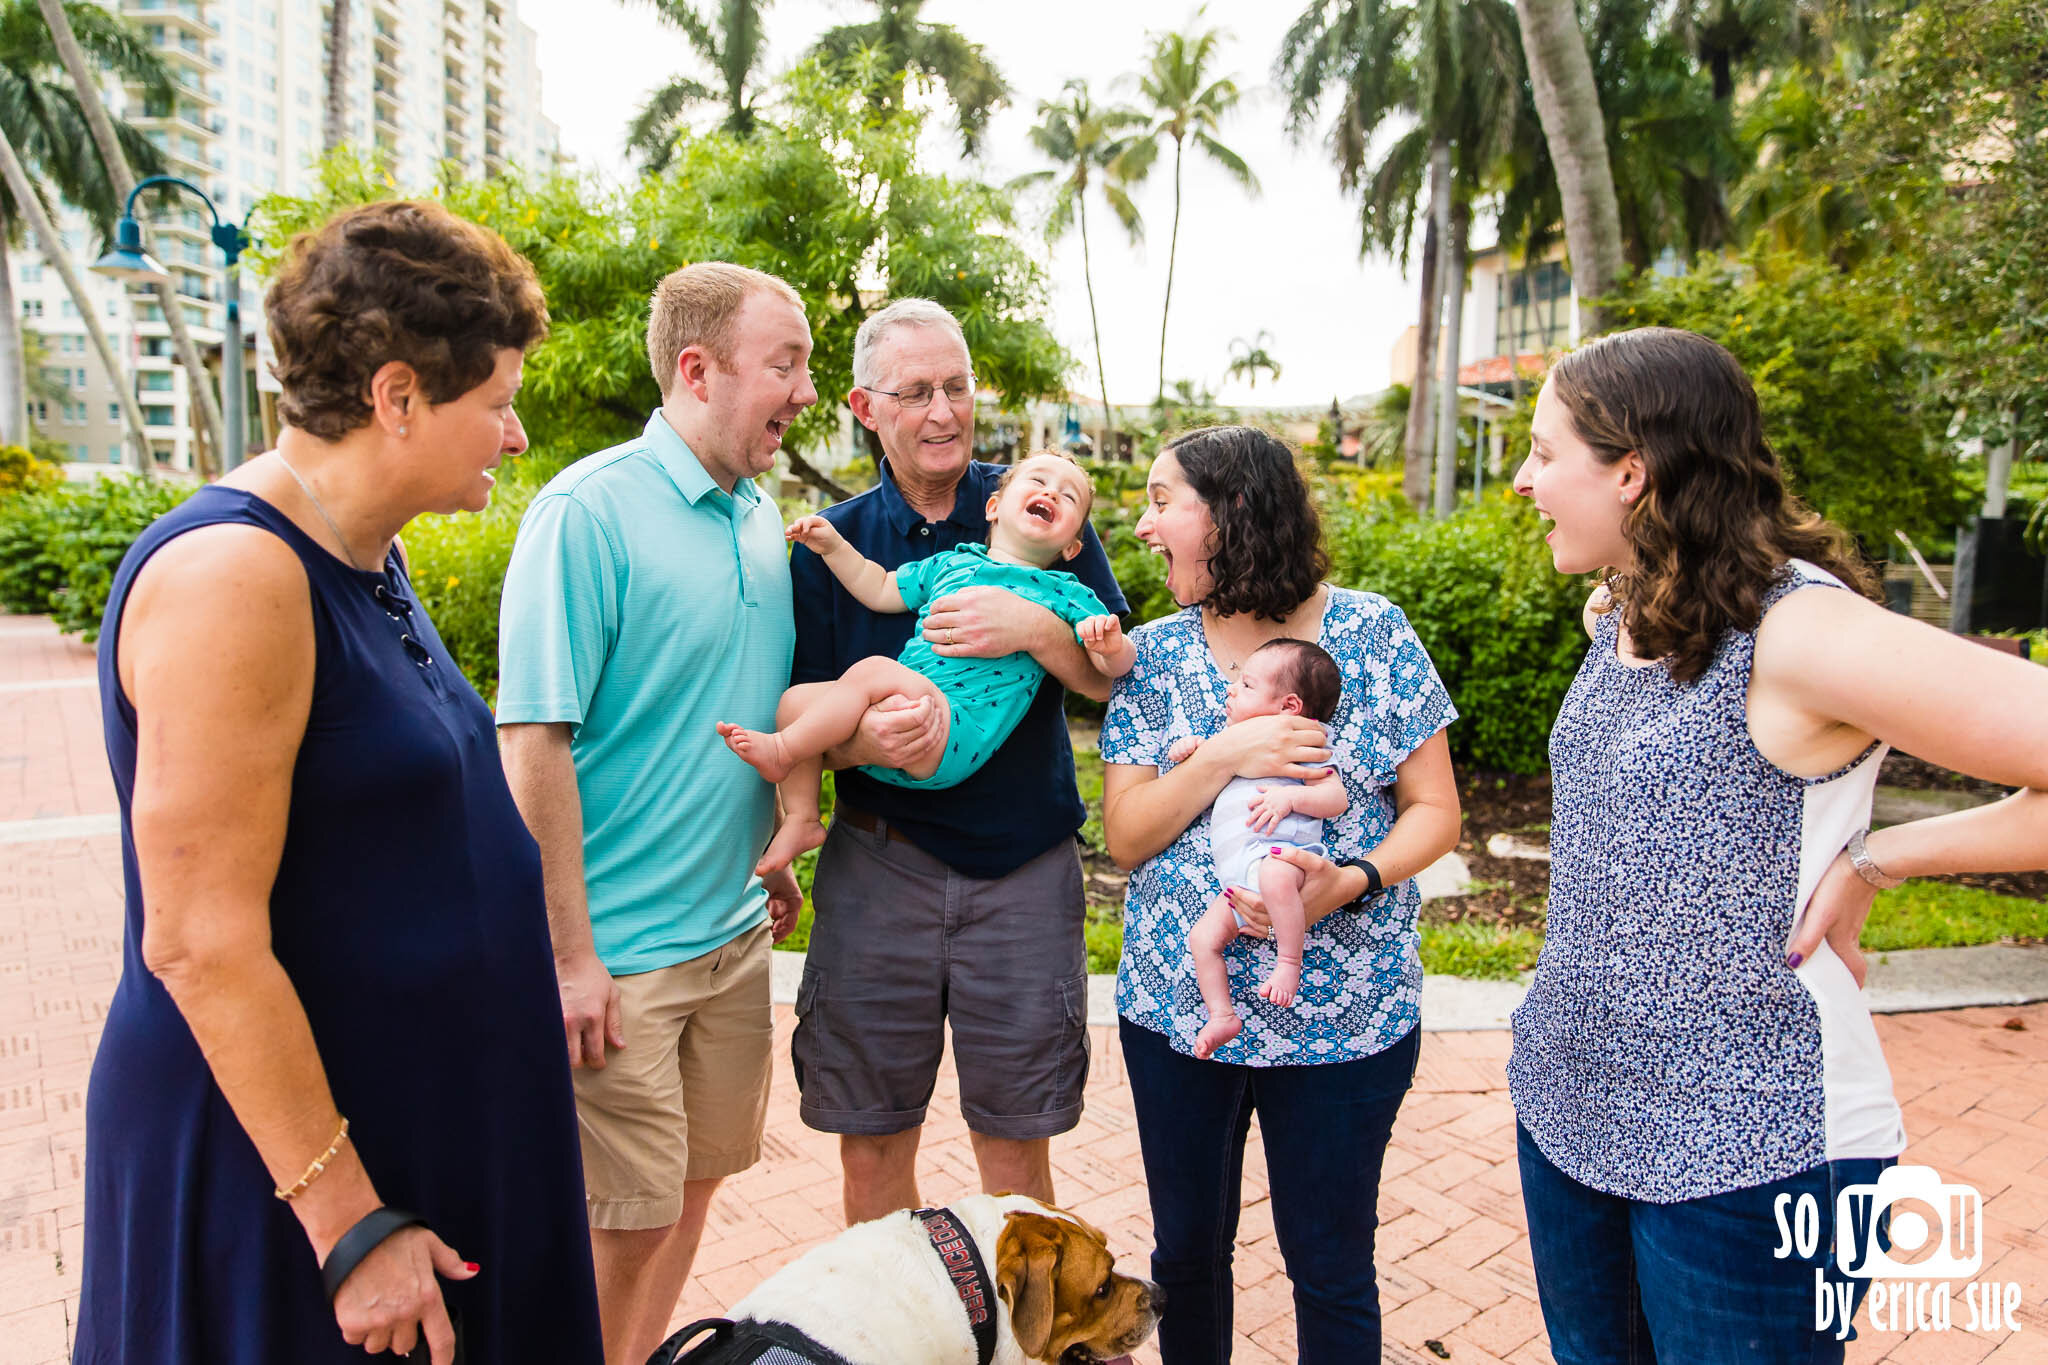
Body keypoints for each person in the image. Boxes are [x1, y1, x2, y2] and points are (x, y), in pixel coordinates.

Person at [75, 200, 599, 1364]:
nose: (513, 438)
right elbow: (197, 940)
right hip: (286, 1176)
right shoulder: (236, 575)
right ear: (398, 396)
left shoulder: (368, 550)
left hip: (421, 1122)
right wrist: (347, 1221)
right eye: (498, 403)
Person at [1506, 326, 2048, 1364]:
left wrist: (1874, 861)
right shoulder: (1636, 602)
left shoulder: (1797, 629)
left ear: (1631, 472)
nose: (1523, 482)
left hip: (1755, 1152)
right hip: (1572, 1108)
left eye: (1541, 454)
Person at [495, 262, 813, 1365]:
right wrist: (570, 956)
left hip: (731, 937)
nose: (806, 392)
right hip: (621, 966)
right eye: (786, 364)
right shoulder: (585, 512)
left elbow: (731, 706)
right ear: (697, 369)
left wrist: (771, 844)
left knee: (694, 1190)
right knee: (616, 1235)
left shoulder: (759, 512)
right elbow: (532, 739)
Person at [1098, 424, 1463, 1364]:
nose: (1141, 526)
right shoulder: (1152, 656)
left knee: (1332, 1266)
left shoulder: (1375, 634)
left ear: (1231, 513)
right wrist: (1226, 752)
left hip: (1351, 1017)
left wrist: (1354, 879)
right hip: (1183, 1016)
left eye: (1160, 499)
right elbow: (1130, 835)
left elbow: (1434, 811)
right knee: (1186, 1256)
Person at [787, 299, 1128, 1226]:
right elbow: (807, 707)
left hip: (1021, 869)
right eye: (917, 392)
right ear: (866, 406)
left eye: (957, 386)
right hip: (878, 861)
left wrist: (1032, 628)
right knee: (873, 1143)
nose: (944, 412)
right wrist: (864, 742)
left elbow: (1107, 683)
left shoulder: (1039, 503)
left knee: (1019, 1152)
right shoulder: (837, 540)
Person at [721, 451, 1131, 870]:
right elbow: (878, 585)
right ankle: (804, 818)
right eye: (1039, 480)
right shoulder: (950, 563)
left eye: (1068, 496)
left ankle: (783, 750)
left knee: (873, 670)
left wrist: (1113, 648)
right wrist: (833, 547)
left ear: (1073, 546)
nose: (1050, 492)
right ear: (993, 508)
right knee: (795, 702)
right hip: (902, 714)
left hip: (956, 729)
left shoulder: (1065, 593)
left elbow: (1110, 675)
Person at [1163, 638, 1348, 1057]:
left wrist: (1292, 798)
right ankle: (1222, 1015)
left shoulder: (1305, 743)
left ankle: (1288, 963)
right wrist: (1193, 751)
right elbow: (1213, 766)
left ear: (1289, 707)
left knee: (1274, 873)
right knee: (1202, 938)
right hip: (1238, 880)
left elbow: (1336, 799)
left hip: (1283, 857)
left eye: (1246, 685)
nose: (1232, 690)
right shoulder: (1231, 738)